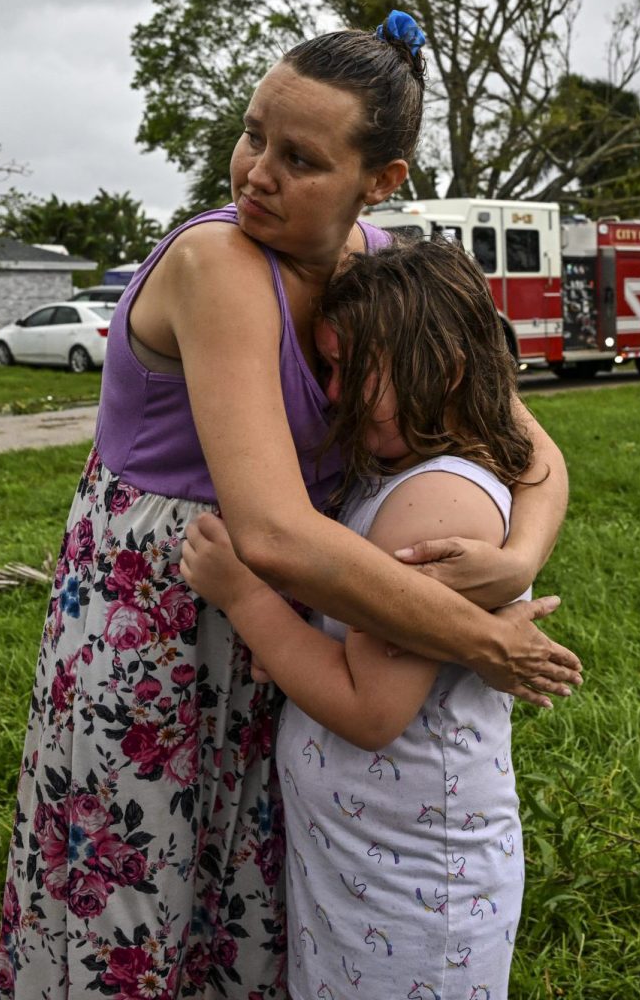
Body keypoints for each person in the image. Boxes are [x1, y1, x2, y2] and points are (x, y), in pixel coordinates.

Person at [0, 13, 578, 999]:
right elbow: (264, 529)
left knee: (255, 897)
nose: (256, 169)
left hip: (295, 618)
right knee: (138, 898)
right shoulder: (219, 262)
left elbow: (523, 442)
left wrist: (518, 560)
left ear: (378, 181)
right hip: (167, 619)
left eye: (300, 157)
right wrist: (483, 641)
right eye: (253, 132)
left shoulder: (387, 268)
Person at [181, 237, 537, 1000]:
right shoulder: (400, 473)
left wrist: (243, 595)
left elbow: (371, 708)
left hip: (415, 888)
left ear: (437, 370)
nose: (332, 394)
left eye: (347, 370)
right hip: (367, 863)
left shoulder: (437, 501)